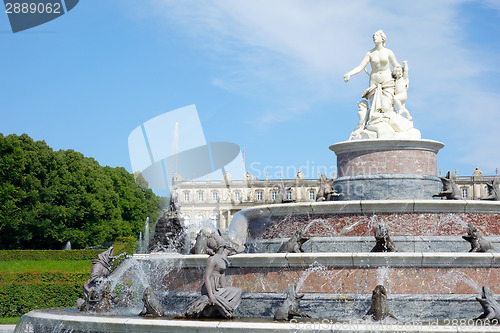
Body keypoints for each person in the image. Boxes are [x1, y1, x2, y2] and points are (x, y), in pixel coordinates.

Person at [185, 234, 242, 318]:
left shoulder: (223, 256)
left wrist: (242, 246)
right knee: (231, 293)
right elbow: (206, 277)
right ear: (219, 245)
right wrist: (211, 295)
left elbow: (235, 251)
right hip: (211, 289)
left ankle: (224, 309)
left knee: (238, 291)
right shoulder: (212, 259)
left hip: (220, 288)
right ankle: (218, 307)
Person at [344, 30, 401, 114]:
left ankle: (392, 118)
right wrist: (349, 73)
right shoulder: (370, 53)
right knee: (375, 109)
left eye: (377, 35)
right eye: (373, 36)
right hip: (374, 82)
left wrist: (403, 75)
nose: (374, 37)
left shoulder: (388, 52)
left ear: (382, 38)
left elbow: (396, 66)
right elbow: (360, 67)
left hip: (387, 81)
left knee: (386, 107)